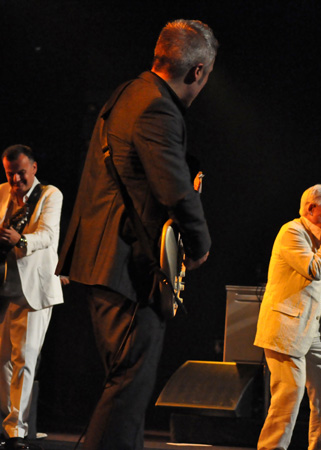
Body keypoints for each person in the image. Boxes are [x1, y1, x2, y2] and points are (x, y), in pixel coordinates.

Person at [56, 19, 217, 450]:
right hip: (124, 265)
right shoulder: (157, 107)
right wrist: (200, 245)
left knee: (127, 382)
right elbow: (175, 188)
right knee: (129, 382)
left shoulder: (128, 92)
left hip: (104, 259)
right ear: (197, 71)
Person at [0, 144, 63, 450]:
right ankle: (9, 429)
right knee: (2, 361)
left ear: (34, 168)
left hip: (33, 290)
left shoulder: (50, 195)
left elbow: (48, 235)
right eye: (10, 174)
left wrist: (22, 240)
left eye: (21, 173)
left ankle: (17, 432)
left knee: (25, 359)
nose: (16, 180)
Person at [254, 184, 321, 450]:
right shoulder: (291, 232)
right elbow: (314, 269)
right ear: (311, 208)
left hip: (314, 331)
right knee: (288, 396)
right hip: (287, 328)